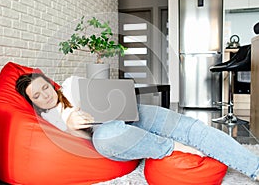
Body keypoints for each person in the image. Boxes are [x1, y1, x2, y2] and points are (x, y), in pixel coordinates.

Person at [16, 73, 259, 181]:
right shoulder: (49, 120)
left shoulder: (70, 84)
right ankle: (174, 147)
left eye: (44, 87)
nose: (44, 95)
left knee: (194, 128)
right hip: (108, 131)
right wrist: (70, 125)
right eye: (36, 95)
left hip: (133, 114)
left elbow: (107, 91)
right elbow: (83, 143)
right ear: (32, 101)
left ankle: (255, 168)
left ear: (51, 83)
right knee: (106, 137)